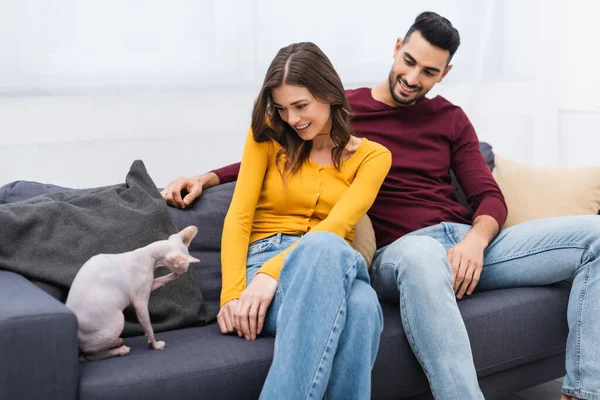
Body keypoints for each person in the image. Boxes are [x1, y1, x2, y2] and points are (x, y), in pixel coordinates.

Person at [163, 12, 600, 400]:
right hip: (404, 251)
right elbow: (276, 152)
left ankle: (583, 392)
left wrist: (476, 241)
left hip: (460, 242)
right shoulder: (328, 111)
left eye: (428, 71)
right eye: (409, 61)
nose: (413, 77)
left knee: (594, 237)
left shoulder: (437, 124)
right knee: (386, 267)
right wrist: (208, 177)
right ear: (397, 49)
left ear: (444, 74)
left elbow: (487, 193)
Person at [178, 41, 390, 399]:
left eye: (301, 106)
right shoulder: (266, 135)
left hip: (327, 263)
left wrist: (269, 276)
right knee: (363, 307)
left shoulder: (373, 157)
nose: (292, 119)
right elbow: (239, 216)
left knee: (327, 245)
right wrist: (232, 295)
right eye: (282, 108)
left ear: (329, 93)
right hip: (263, 261)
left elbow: (336, 227)